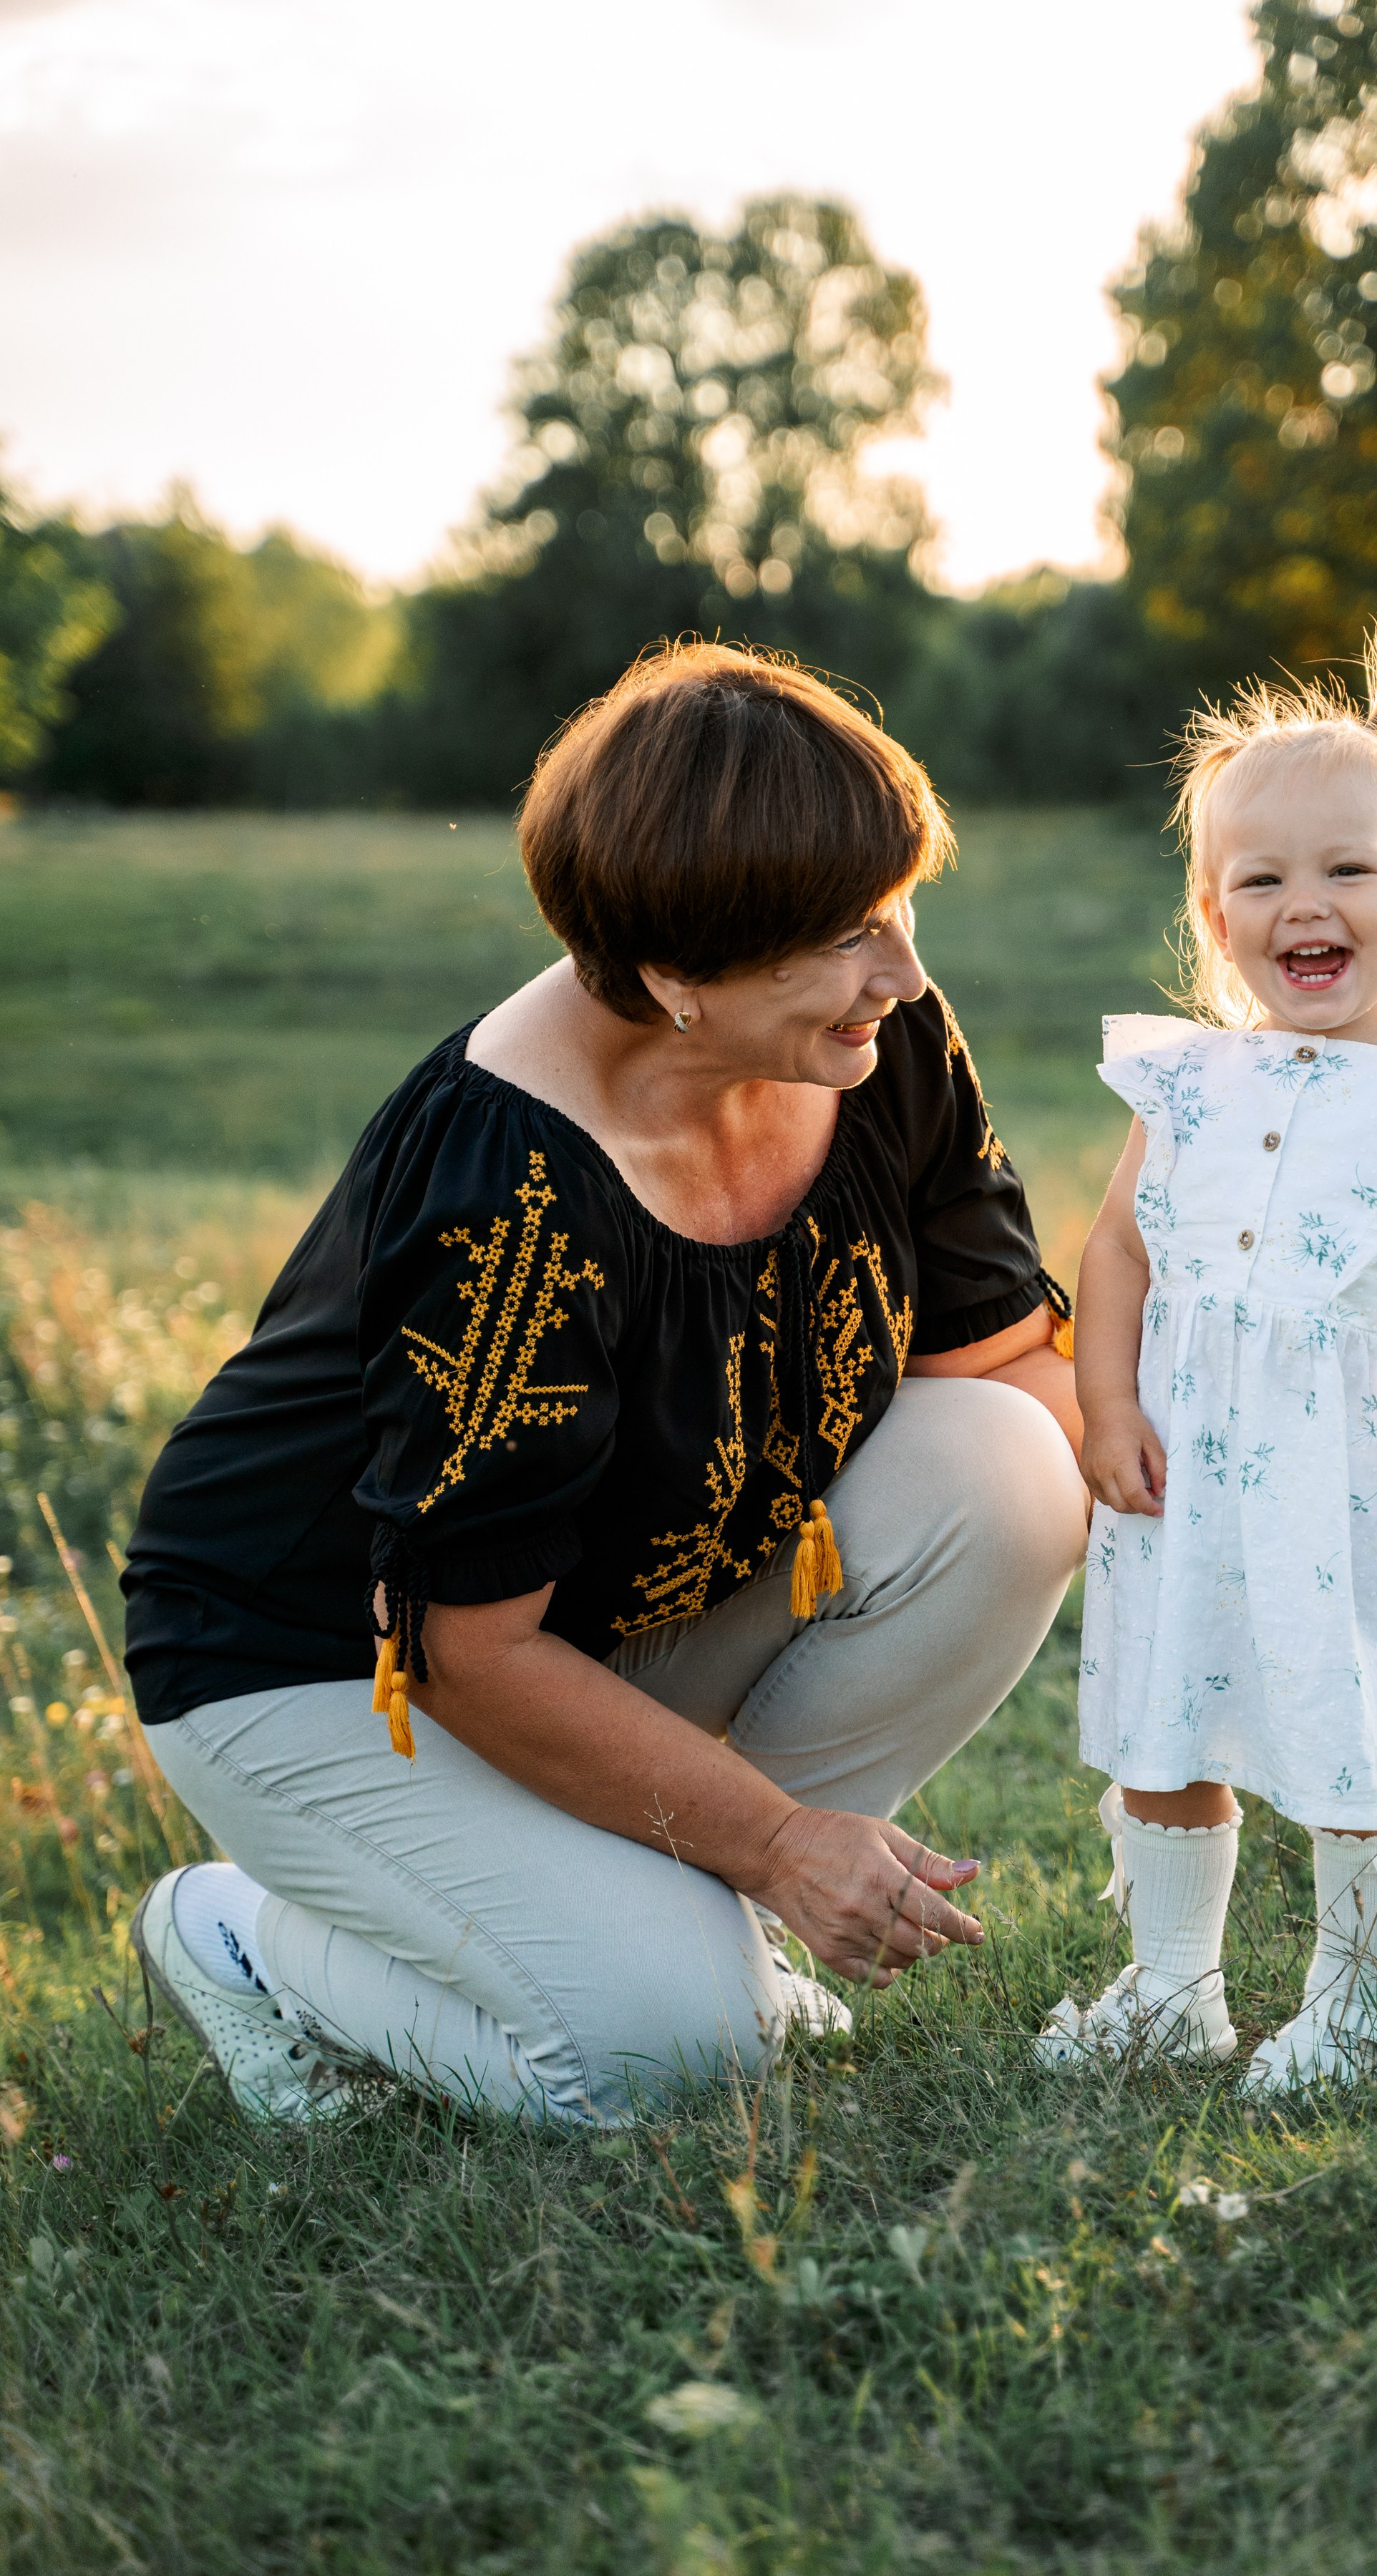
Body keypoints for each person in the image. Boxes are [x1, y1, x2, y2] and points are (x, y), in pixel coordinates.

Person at [122, 641, 1088, 2127]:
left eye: (896, 915)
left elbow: (1006, 1364)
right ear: (671, 980)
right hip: (338, 1669)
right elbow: (466, 1649)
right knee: (667, 2059)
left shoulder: (863, 1038)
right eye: (846, 940)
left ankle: (684, 1931)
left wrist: (1243, 1554)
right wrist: (772, 1838)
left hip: (600, 1614)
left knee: (1009, 1468)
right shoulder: (510, 1193)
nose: (897, 975)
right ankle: (250, 1937)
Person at [1036, 623, 1377, 2094]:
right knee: (1167, 1705)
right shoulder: (1186, 1082)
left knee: (1356, 1718)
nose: (1303, 906)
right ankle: (1169, 1984)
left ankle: (1357, 2002)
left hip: (1353, 1471)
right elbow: (1120, 1249)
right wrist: (1102, 1400)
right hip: (1183, 1463)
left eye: (1345, 871)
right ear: (1214, 914)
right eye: (1260, 880)